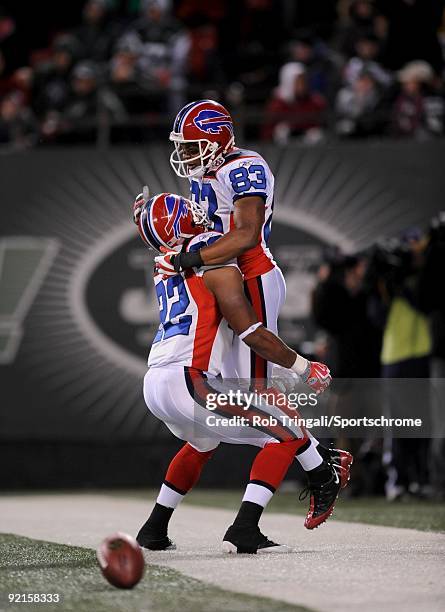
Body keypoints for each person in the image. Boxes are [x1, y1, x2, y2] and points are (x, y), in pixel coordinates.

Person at [132, 191, 350, 553]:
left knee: (203, 441)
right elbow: (251, 332)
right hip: (190, 380)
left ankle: (154, 529)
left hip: (156, 381)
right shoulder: (211, 255)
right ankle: (245, 528)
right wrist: (302, 366)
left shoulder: (165, 261)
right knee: (286, 432)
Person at [152, 99, 352, 480]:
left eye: (193, 146)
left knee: (256, 387)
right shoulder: (204, 171)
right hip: (226, 276)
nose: (186, 155)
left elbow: (245, 235)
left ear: (219, 139)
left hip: (251, 275)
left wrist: (190, 259)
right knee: (240, 389)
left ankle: (321, 467)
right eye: (183, 147)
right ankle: (319, 460)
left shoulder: (244, 166)